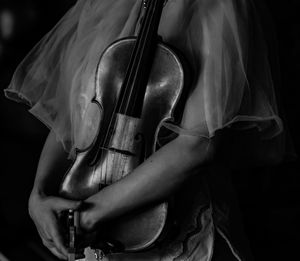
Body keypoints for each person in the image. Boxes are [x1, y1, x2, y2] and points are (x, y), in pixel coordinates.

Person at [4, 0, 286, 260]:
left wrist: (91, 214)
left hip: (173, 231)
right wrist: (38, 195)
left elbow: (200, 145)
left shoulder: (219, 6)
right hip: (90, 226)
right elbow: (72, 115)